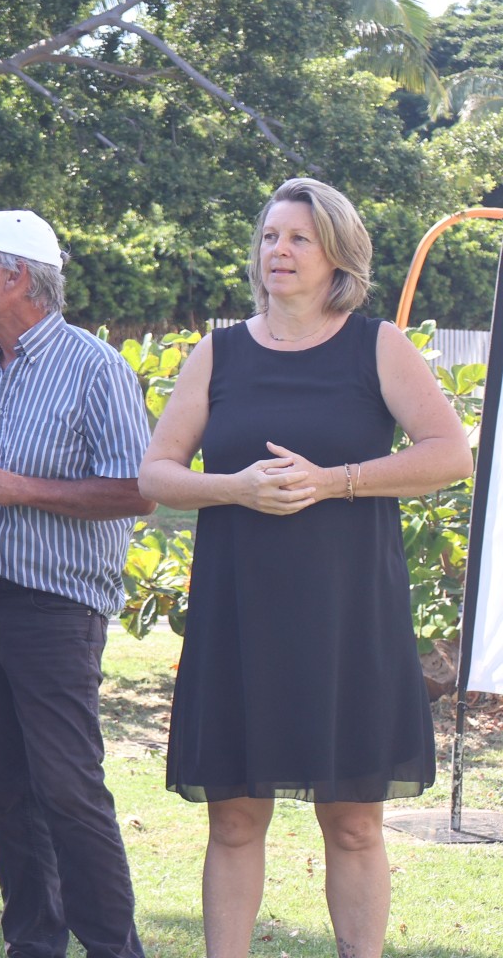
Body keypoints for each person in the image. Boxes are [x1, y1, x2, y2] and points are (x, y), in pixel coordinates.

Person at [137, 178, 471, 958]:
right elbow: (156, 474)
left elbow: (449, 455)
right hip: (240, 614)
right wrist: (236, 489)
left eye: (298, 238)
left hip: (349, 615)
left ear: (338, 255)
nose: (278, 251)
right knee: (233, 818)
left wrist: (334, 481)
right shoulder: (218, 353)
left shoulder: (377, 346)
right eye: (269, 237)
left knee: (353, 822)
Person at [0, 209, 153, 958]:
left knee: (67, 789)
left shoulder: (96, 367)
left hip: (56, 612)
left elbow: (139, 490)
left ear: (18, 275)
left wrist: (22, 488)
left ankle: (114, 949)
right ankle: (32, 945)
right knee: (7, 794)